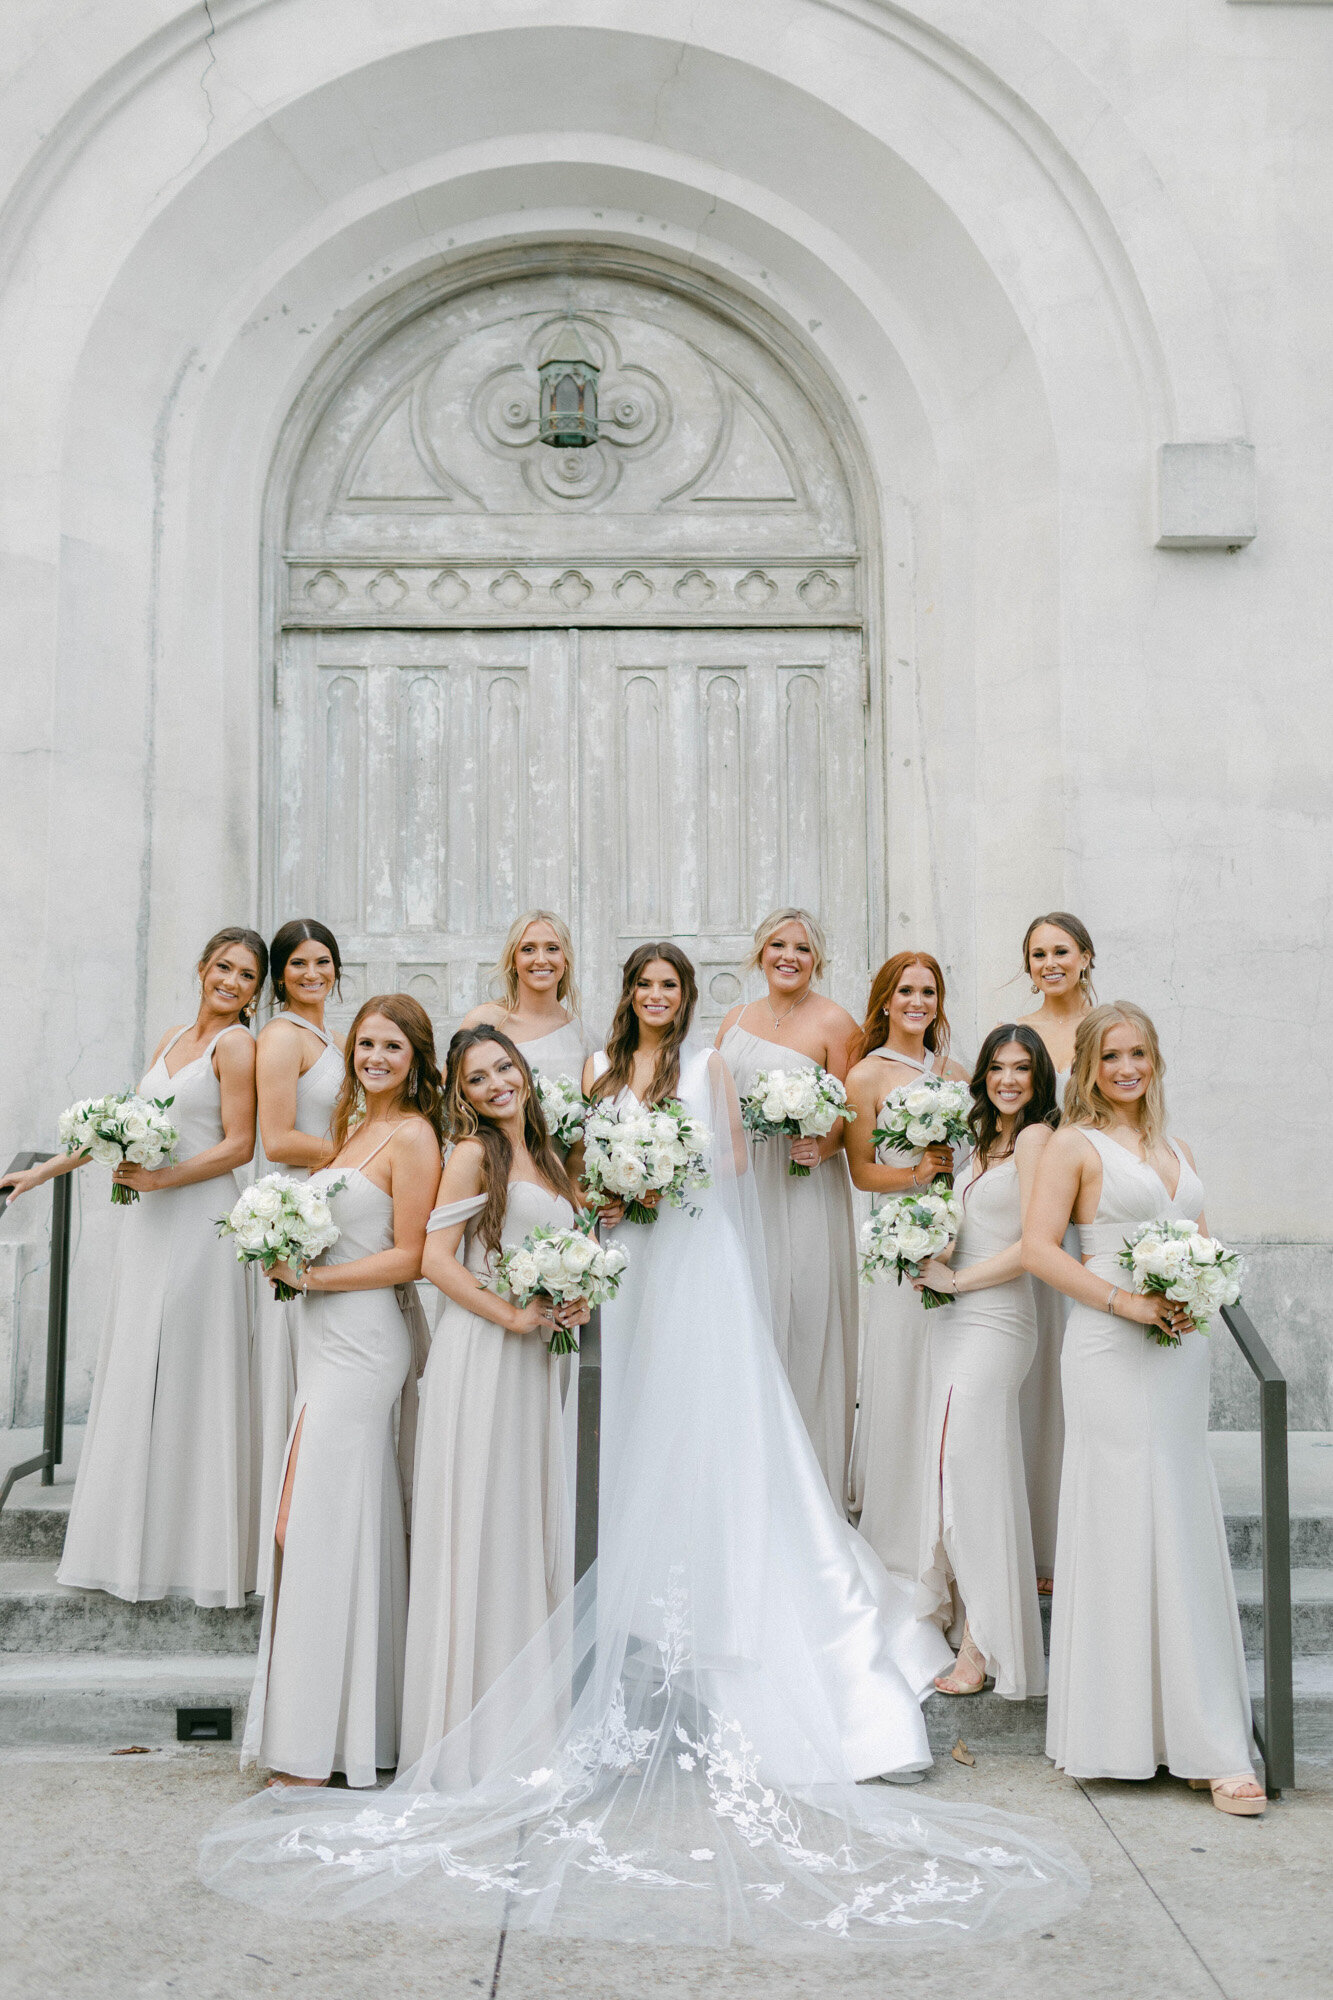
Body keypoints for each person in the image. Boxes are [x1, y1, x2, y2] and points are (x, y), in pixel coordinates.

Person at [199, 947, 1087, 1947]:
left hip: (688, 1255)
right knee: (620, 1434)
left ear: (686, 997)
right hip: (619, 1264)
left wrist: (668, 1169)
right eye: (644, 986)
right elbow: (562, 1183)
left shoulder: (707, 1065)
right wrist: (610, 1197)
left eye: (670, 985)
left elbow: (734, 1170)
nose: (657, 999)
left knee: (703, 1420)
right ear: (625, 997)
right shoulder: (582, 1078)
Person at [1023, 1002, 1263, 1815]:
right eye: (1111, 1055)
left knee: (1180, 1517)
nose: (1127, 1068)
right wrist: (1123, 1305)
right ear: (1088, 1065)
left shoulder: (1175, 1149)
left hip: (1178, 1351)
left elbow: (1200, 1238)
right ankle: (1121, 1731)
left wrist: (1201, 1282)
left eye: (1139, 1055)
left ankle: (1205, 1739)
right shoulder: (1070, 1144)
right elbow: (1038, 1248)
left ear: (1154, 1061)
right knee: (1125, 1518)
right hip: (1108, 1348)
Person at [2, 927, 266, 1607]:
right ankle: (128, 1543)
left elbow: (240, 1146)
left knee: (185, 1374)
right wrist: (44, 1172)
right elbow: (125, 1124)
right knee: (134, 1368)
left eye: (247, 976)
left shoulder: (235, 1045)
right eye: (224, 967)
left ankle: (191, 1551)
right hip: (148, 1224)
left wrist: (163, 1177)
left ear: (255, 992)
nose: (232, 982)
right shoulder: (173, 1037)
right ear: (203, 966)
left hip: (198, 1216)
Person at [240, 995, 442, 1787]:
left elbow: (414, 1256)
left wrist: (313, 1274)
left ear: (416, 1057)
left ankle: (327, 1742)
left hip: (363, 1344)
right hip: (322, 1338)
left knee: (321, 1524)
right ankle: (335, 1729)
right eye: (364, 1045)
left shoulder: (415, 1136)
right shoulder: (352, 1131)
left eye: (392, 1046)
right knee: (309, 1523)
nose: (375, 1058)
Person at [399, 1028, 585, 1773]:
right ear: (462, 1095)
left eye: (503, 1067)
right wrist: (510, 1314)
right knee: (485, 1524)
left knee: (525, 1524)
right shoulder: (476, 1153)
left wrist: (574, 1302)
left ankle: (526, 1723)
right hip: (483, 1355)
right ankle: (471, 1735)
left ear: (524, 1071)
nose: (496, 1084)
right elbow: (433, 1260)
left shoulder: (548, 1155)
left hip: (537, 1362)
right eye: (477, 1080)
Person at [910, 1025, 1056, 1700]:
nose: (1005, 1080)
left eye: (1019, 1069)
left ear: (1036, 1078)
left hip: (997, 1318)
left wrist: (958, 1282)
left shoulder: (1033, 1140)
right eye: (996, 1067)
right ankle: (968, 1611)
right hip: (952, 1316)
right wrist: (921, 1253)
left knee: (972, 1468)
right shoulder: (979, 1143)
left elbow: (1034, 1245)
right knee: (951, 1467)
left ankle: (984, 1644)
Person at [716, 909, 861, 1508]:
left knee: (803, 1318)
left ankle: (808, 1493)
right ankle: (747, 1486)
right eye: (778, 945)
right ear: (759, 952)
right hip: (745, 1187)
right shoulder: (734, 1020)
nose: (788, 957)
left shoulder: (836, 1023)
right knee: (750, 1321)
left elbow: (855, 1119)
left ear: (817, 959)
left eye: (802, 948)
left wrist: (821, 1142)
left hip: (804, 1189)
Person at [844, 952, 969, 1573]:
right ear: (886, 1001)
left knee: (947, 1379)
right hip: (899, 1243)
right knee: (901, 1373)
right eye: (906, 991)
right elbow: (861, 1169)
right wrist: (917, 1172)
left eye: (929, 992)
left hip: (958, 1241)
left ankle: (946, 1521)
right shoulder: (866, 1077)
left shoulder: (958, 1073)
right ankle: (896, 1532)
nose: (917, 1002)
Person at [250, 919, 345, 1567]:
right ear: (279, 976)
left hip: (331, 1209)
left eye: (323, 961)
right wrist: (360, 1155)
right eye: (299, 965)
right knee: (299, 1368)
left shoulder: (327, 1035)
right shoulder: (281, 1038)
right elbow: (278, 1139)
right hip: (296, 1211)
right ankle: (285, 1533)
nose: (313, 974)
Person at [1012, 911, 1097, 1590]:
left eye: (1060, 951)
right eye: (1037, 953)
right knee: (1041, 1373)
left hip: (1097, 1212)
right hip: (1041, 1214)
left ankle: (1093, 1524)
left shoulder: (1110, 1031)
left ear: (1085, 956)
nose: (1049, 963)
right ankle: (1042, 1537)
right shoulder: (1025, 1036)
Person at [460, 908, 592, 1082]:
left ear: (565, 960)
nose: (541, 960)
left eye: (552, 948)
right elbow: (452, 1092)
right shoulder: (485, 1021)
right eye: (528, 949)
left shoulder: (585, 1039)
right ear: (514, 960)